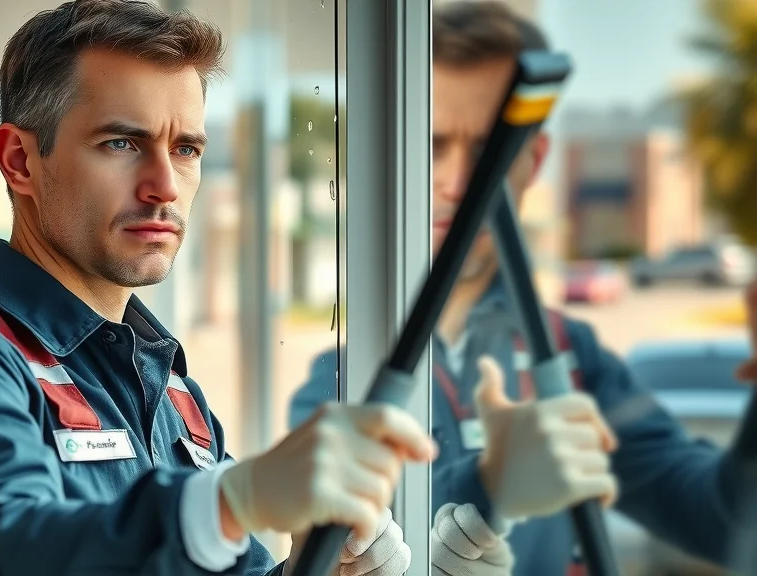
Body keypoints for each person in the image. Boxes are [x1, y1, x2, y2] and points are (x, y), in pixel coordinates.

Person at [0, 2, 434, 575]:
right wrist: (227, 503)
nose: (164, 185)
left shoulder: (172, 393)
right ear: (19, 160)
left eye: (186, 148)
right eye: (121, 143)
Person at [290, 2, 755, 575]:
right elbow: (337, 543)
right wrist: (491, 481)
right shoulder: (343, 378)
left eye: (490, 150)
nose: (458, 182)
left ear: (532, 161)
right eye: (433, 145)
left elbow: (726, 523)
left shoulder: (571, 356)